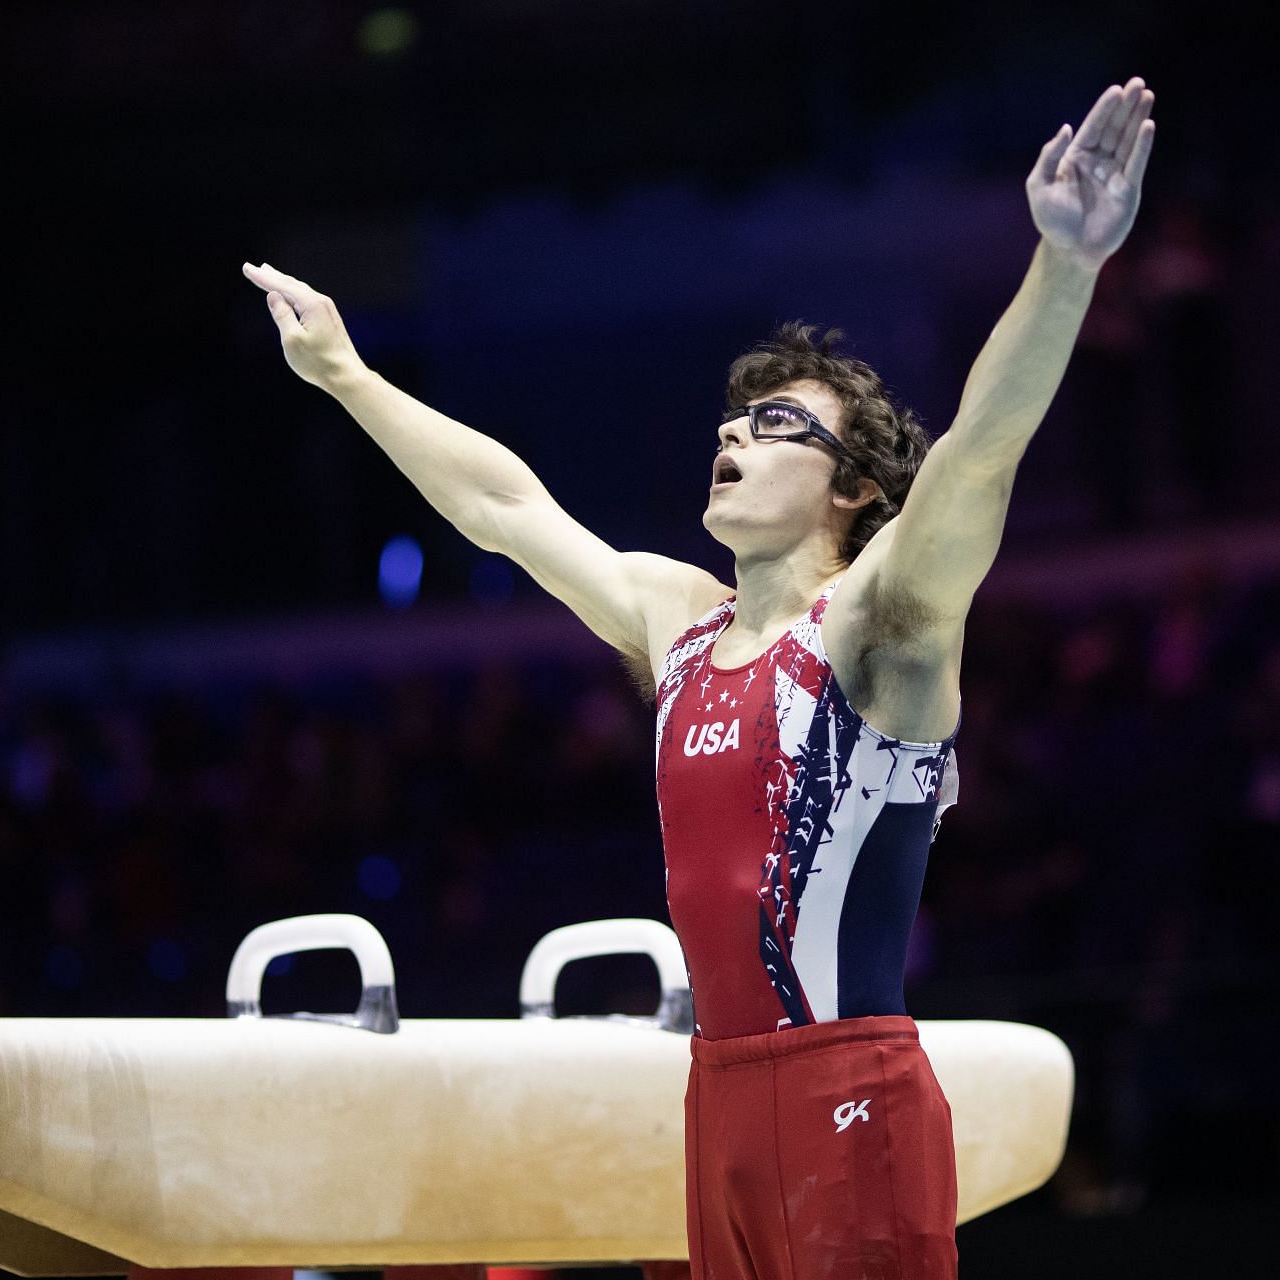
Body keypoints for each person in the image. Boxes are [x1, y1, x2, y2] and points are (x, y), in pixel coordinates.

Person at [242, 76, 1155, 1280]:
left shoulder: (882, 625)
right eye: (733, 419)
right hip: (713, 1102)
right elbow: (507, 508)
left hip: (851, 1095)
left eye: (779, 425)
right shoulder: (677, 621)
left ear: (855, 492)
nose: (733, 435)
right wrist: (347, 375)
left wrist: (1066, 266)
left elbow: (980, 453)